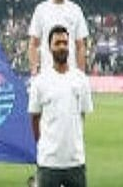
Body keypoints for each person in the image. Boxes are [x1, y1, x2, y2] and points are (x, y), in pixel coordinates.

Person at [28, 25, 93, 187]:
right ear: (49, 48)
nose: (62, 47)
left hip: (75, 161)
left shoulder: (81, 80)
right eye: (57, 43)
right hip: (49, 162)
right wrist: (44, 145)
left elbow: (82, 115)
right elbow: (35, 118)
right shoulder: (40, 82)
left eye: (65, 43)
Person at [28, 0, 88, 77]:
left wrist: (81, 74)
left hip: (70, 76)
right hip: (47, 75)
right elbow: (33, 44)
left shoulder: (75, 10)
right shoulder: (41, 10)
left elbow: (80, 46)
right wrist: (34, 71)